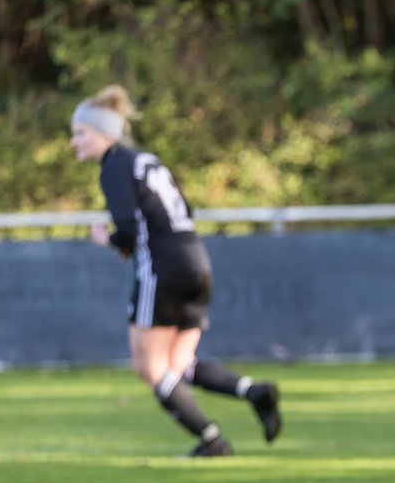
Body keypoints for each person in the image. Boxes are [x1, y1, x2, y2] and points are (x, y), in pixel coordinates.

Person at [70, 85, 281, 457]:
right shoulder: (146, 161)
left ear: (103, 133)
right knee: (180, 365)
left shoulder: (115, 166)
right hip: (196, 262)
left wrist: (110, 240)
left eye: (80, 133)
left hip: (162, 269)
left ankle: (212, 441)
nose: (74, 142)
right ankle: (255, 392)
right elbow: (184, 210)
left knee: (149, 367)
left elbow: (129, 227)